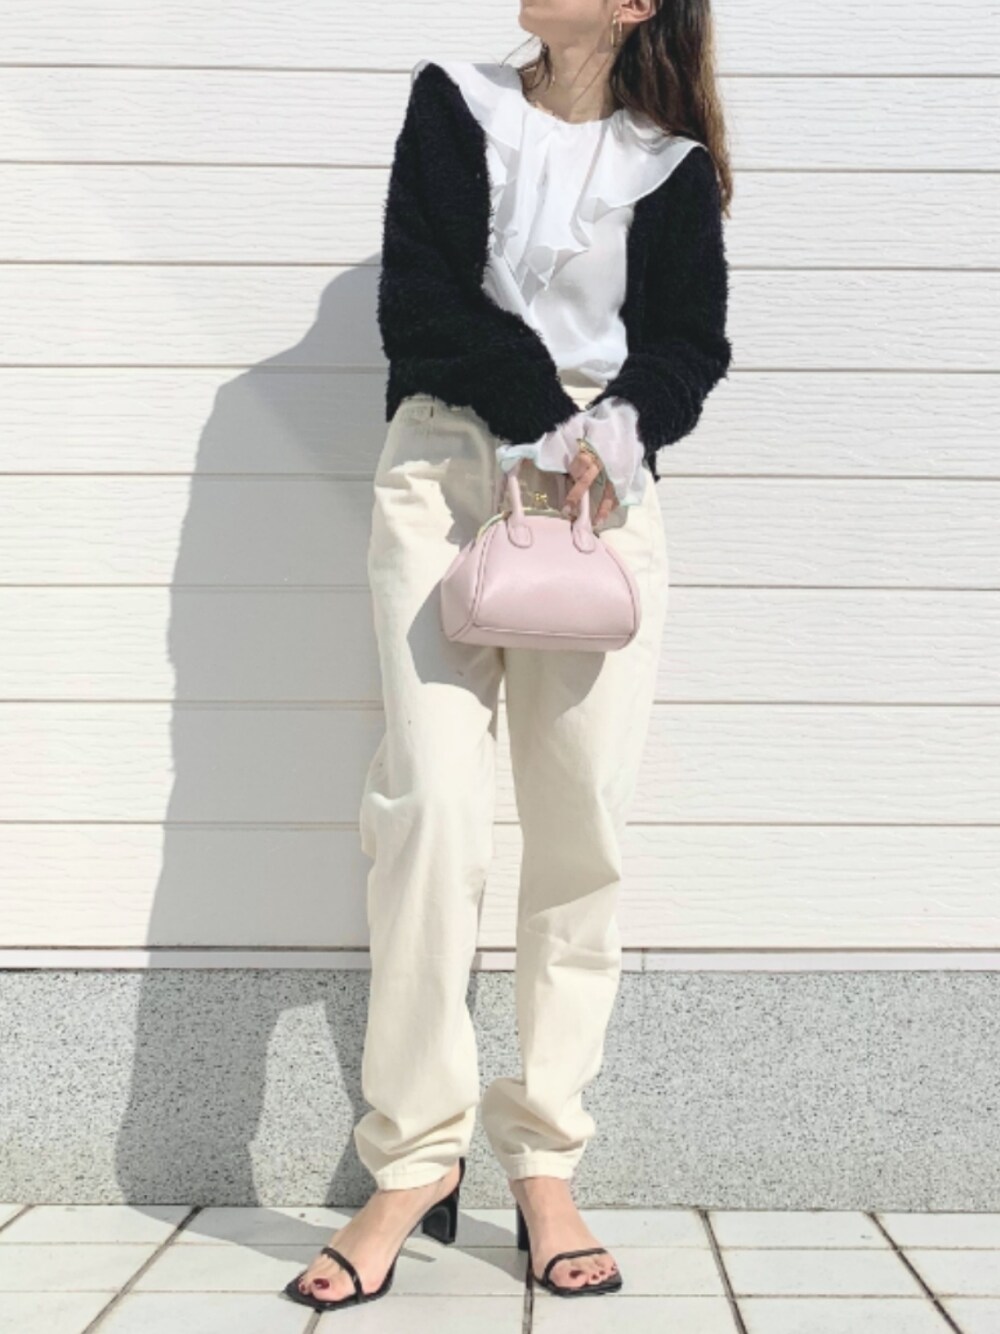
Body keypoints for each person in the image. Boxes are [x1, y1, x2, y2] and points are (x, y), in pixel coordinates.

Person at [285, 0, 732, 1313]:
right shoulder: (456, 103)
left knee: (580, 823)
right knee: (426, 808)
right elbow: (418, 305)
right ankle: (415, 1160)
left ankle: (543, 1160)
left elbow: (690, 345)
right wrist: (544, 420)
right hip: (447, 467)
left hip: (598, 492)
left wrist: (607, 437)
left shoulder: (670, 164)